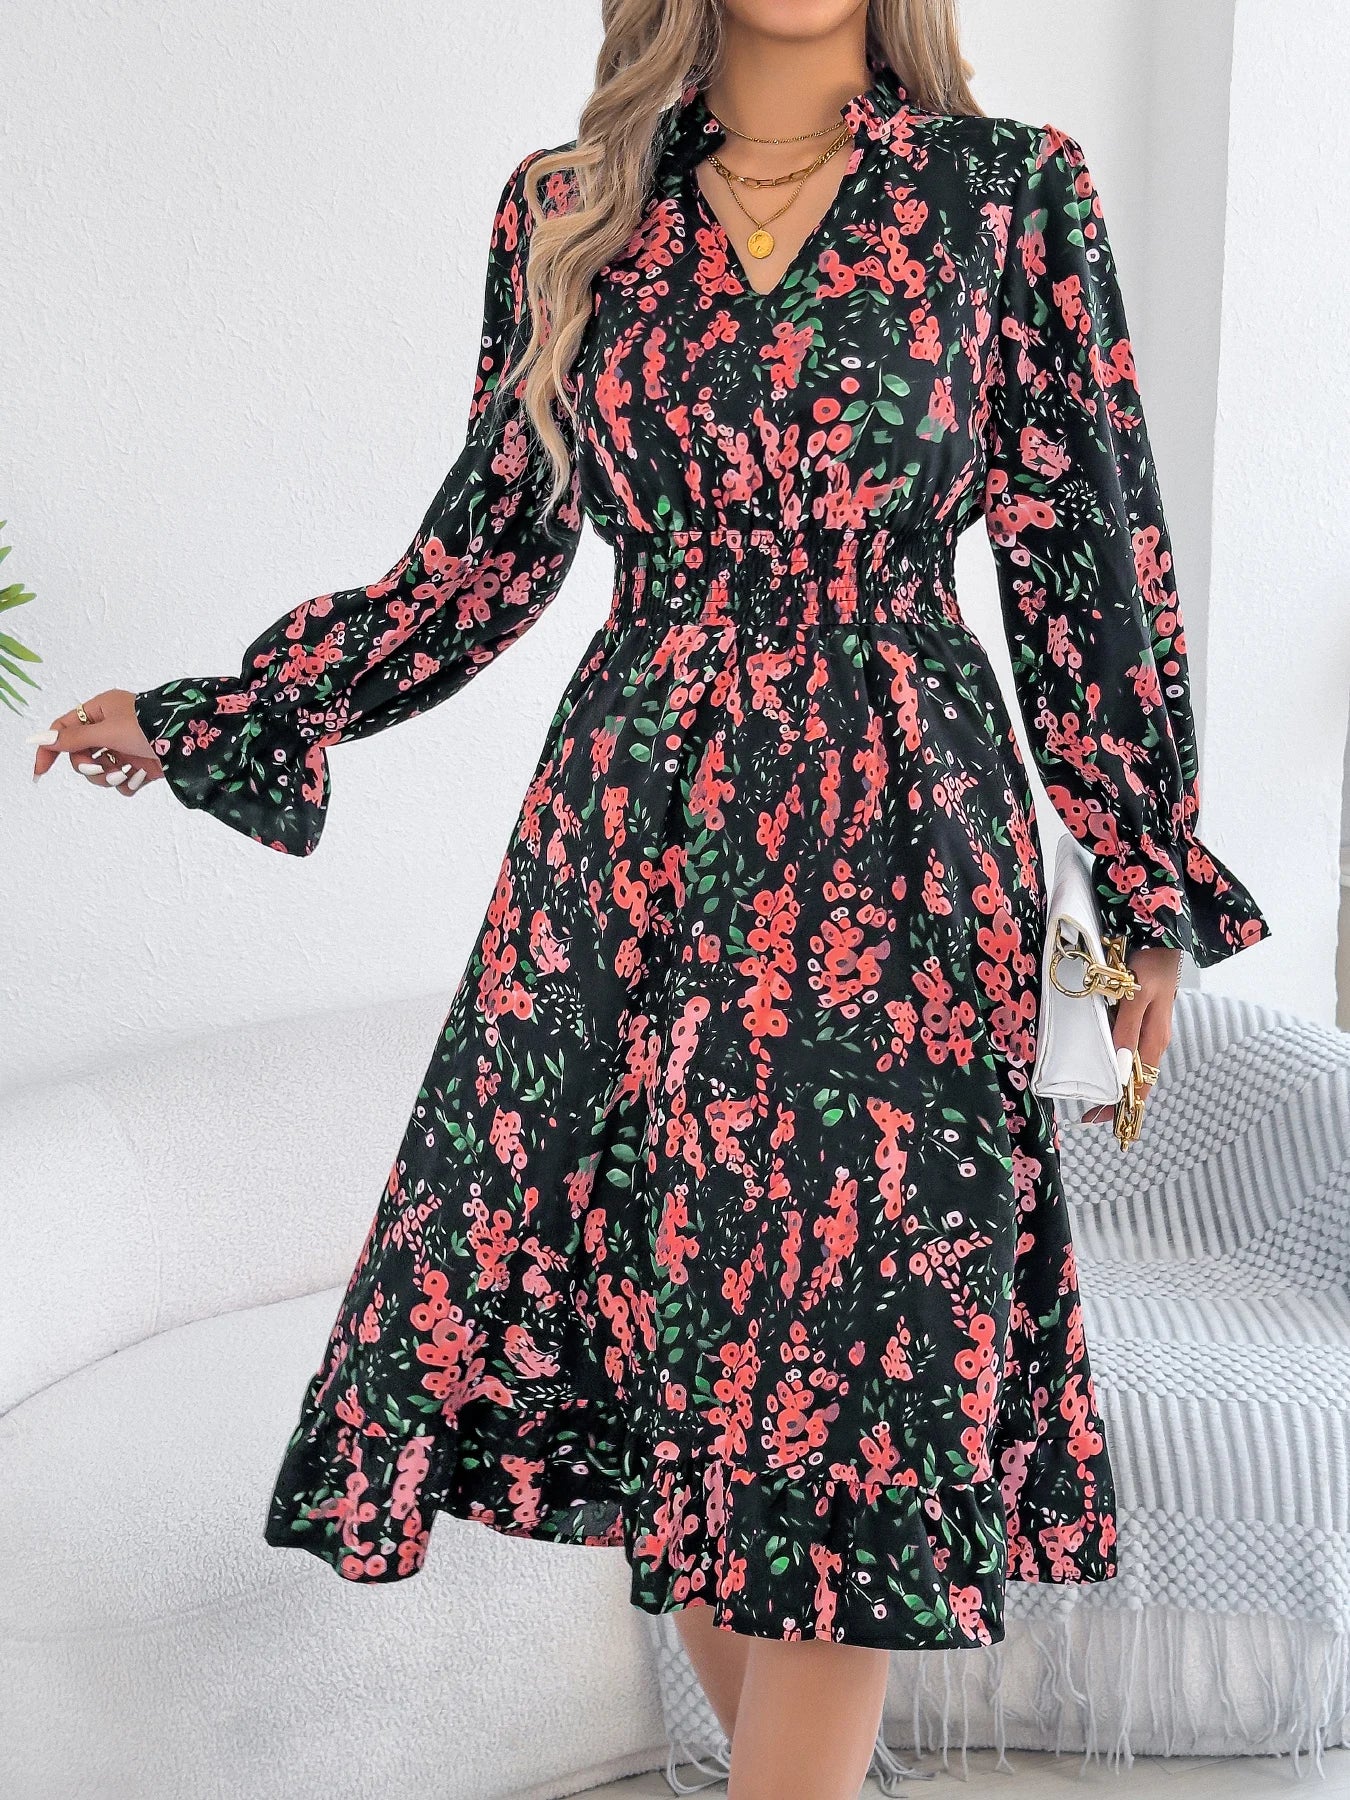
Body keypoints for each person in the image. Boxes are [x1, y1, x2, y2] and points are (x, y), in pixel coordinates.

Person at [28, 1, 1271, 1794]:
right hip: (631, 850)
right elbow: (479, 557)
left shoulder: (1006, 192)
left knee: (852, 1380)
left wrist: (1143, 876)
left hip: (902, 853)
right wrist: (232, 713)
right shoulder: (571, 205)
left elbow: (1090, 556)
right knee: (668, 1362)